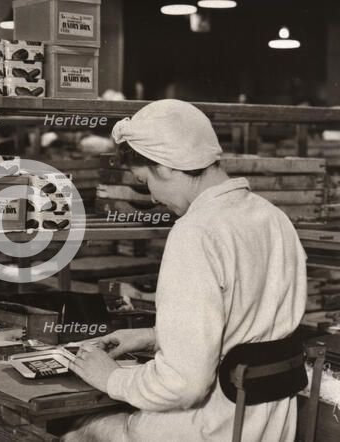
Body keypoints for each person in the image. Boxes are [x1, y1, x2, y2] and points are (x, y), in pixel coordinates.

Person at [65, 100, 307, 442]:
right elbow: (248, 331)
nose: (151, 196)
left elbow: (185, 386)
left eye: (144, 181)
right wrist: (155, 336)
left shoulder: (195, 232)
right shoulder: (272, 217)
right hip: (269, 427)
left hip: (212, 428)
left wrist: (110, 378)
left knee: (80, 430)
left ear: (165, 166)